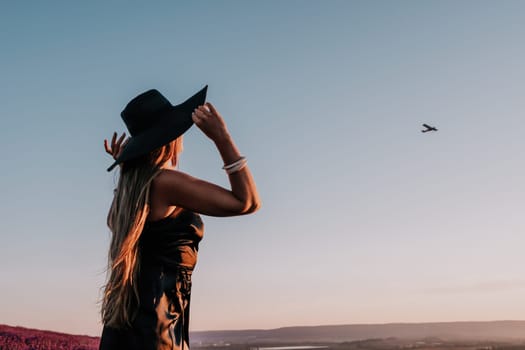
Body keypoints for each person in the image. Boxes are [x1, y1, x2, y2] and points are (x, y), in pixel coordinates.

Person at [99, 85, 260, 350]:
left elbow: (113, 221)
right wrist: (222, 138)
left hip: (127, 328)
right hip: (157, 331)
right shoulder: (165, 183)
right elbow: (247, 202)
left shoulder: (130, 191)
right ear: (170, 138)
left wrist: (128, 168)